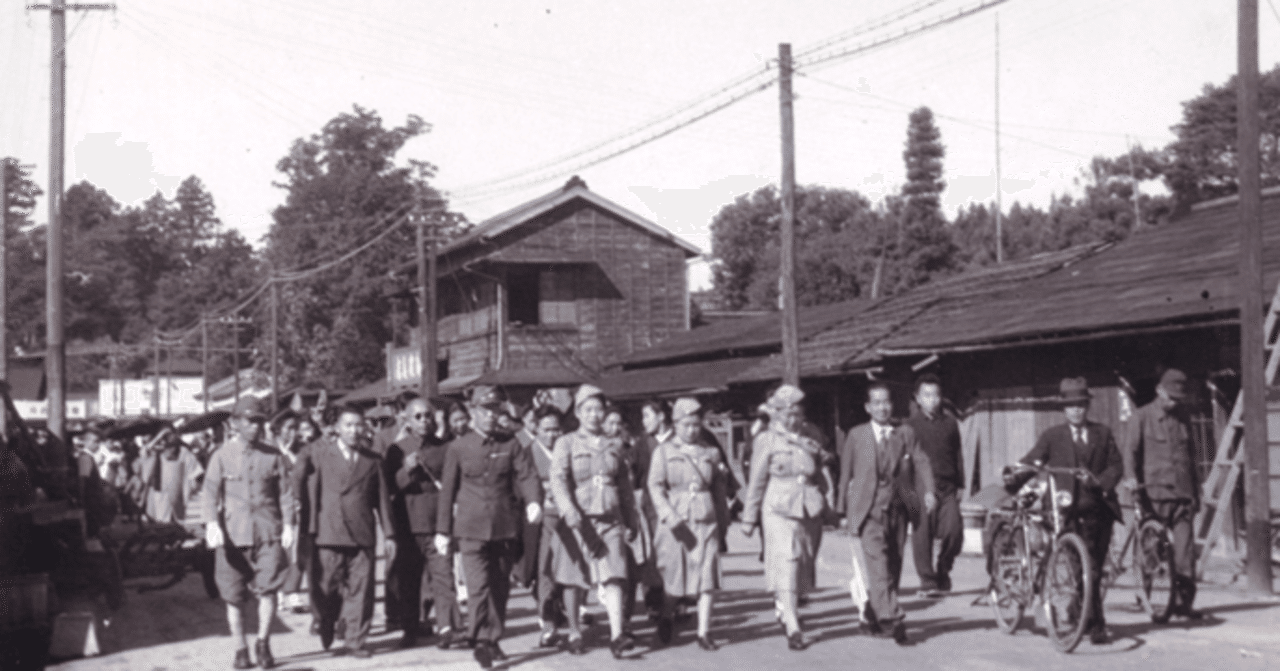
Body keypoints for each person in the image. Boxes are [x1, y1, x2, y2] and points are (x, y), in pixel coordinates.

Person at [435, 385, 542, 669]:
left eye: (497, 410)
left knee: (499, 587)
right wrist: (442, 530)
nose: (492, 416)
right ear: (473, 412)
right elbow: (447, 491)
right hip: (470, 529)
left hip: (504, 526)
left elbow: (527, 475)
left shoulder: (511, 443)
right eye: (486, 410)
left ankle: (493, 638)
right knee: (477, 587)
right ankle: (480, 639)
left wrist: (533, 502)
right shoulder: (459, 447)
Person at [1016, 376, 1123, 645]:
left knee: (1094, 566)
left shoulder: (1102, 433)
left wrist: (1099, 482)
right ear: (1063, 408)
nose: (1076, 410)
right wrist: (1013, 477)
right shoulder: (1053, 437)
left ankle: (1079, 613)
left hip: (1100, 511)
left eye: (1081, 405)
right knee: (1087, 569)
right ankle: (1097, 624)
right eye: (1071, 405)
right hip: (1068, 512)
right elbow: (1032, 461)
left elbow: (1116, 466)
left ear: (1087, 406)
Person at [293, 405, 396, 658]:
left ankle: (355, 641)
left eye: (358, 425)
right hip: (329, 532)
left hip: (362, 533)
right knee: (325, 587)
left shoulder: (373, 461)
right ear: (337, 428)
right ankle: (326, 620)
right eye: (347, 425)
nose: (353, 430)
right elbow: (301, 468)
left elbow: (382, 501)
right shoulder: (320, 455)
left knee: (361, 591)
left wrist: (390, 534)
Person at [203, 397, 298, 670]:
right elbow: (210, 492)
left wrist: (289, 524)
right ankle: (240, 648)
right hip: (233, 535)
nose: (255, 427)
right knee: (234, 595)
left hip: (268, 533)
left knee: (268, 590)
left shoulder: (273, 455)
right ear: (235, 423)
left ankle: (263, 643)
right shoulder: (221, 456)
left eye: (259, 421)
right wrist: (211, 523)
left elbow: (286, 494)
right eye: (249, 421)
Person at [837, 382, 935, 646]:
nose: (882, 407)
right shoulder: (857, 435)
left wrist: (929, 492)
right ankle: (894, 618)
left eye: (886, 402)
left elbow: (921, 460)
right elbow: (845, 474)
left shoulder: (904, 432)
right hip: (868, 510)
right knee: (878, 565)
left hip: (899, 507)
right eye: (876, 403)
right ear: (868, 407)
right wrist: (841, 511)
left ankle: (873, 613)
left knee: (894, 562)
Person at [549, 384, 640, 659]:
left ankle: (616, 635)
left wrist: (631, 519)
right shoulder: (566, 443)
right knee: (575, 579)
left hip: (610, 519)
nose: (594, 415)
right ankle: (575, 631)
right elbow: (558, 479)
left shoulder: (615, 445)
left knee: (615, 575)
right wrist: (567, 509)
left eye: (599, 409)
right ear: (577, 413)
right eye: (588, 409)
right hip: (578, 520)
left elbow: (624, 485)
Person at [741, 384, 834, 651]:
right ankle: (793, 625)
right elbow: (757, 481)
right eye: (785, 414)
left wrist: (829, 507)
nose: (791, 419)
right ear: (776, 414)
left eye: (797, 413)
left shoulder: (812, 436)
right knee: (788, 561)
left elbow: (821, 474)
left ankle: (788, 608)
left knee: (803, 561)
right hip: (778, 509)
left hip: (808, 508)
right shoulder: (766, 441)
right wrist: (749, 518)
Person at [648, 397, 729, 651]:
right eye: (686, 425)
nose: (692, 430)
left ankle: (704, 632)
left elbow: (718, 493)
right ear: (675, 424)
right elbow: (655, 486)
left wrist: (724, 525)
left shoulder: (711, 453)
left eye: (696, 424)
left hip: (706, 521)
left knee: (707, 578)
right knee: (675, 580)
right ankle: (667, 615)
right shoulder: (663, 452)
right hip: (677, 523)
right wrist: (668, 515)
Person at [1122, 368, 1203, 621]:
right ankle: (1144, 597)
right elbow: (1130, 452)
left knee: (1185, 552)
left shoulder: (1184, 417)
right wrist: (1131, 478)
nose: (1174, 403)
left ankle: (1183, 603)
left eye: (1178, 399)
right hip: (1153, 494)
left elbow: (1193, 457)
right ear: (1159, 391)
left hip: (1182, 493)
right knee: (1151, 549)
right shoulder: (1142, 416)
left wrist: (1196, 493)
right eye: (1170, 397)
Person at [388, 397, 464, 650]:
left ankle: (447, 627)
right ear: (407, 421)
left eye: (428, 416)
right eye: (418, 417)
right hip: (408, 525)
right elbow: (388, 488)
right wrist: (405, 471)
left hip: (437, 523)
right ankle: (410, 628)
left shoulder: (445, 448)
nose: (424, 421)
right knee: (409, 579)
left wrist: (448, 524)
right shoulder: (397, 449)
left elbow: (452, 486)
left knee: (443, 576)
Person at [525, 405, 580, 649]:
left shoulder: (569, 449)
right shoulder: (527, 453)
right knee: (545, 570)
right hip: (541, 519)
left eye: (556, 429)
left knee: (570, 571)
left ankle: (572, 619)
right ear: (535, 428)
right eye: (546, 429)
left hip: (568, 515)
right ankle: (548, 625)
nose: (551, 435)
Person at [905, 374, 964, 596]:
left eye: (936, 395)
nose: (933, 400)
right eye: (927, 396)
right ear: (918, 399)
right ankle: (928, 581)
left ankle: (944, 569)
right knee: (923, 534)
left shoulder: (950, 424)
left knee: (954, 531)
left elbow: (958, 454)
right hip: (920, 487)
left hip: (947, 485)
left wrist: (961, 483)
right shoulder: (910, 426)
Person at [139, 427, 204, 524]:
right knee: (159, 525)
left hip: (177, 495)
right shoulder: (157, 453)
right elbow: (144, 451)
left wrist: (195, 488)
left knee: (174, 525)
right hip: (158, 495)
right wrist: (159, 436)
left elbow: (197, 474)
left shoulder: (183, 452)